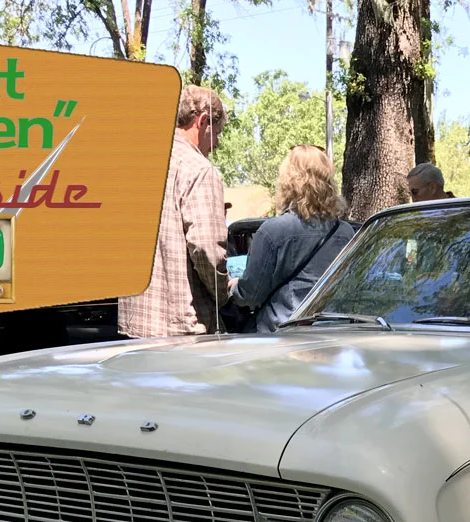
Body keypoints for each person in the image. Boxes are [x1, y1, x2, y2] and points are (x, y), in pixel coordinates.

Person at [118, 84, 230, 339]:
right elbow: (206, 249)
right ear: (202, 122)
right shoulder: (199, 170)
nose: (216, 144)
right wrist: (223, 293)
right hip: (183, 328)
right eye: (217, 133)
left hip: (138, 324)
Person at [227, 145, 355, 332]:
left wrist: (233, 286)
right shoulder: (345, 233)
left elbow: (251, 295)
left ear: (288, 182)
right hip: (333, 332)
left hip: (282, 333)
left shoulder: (272, 232)